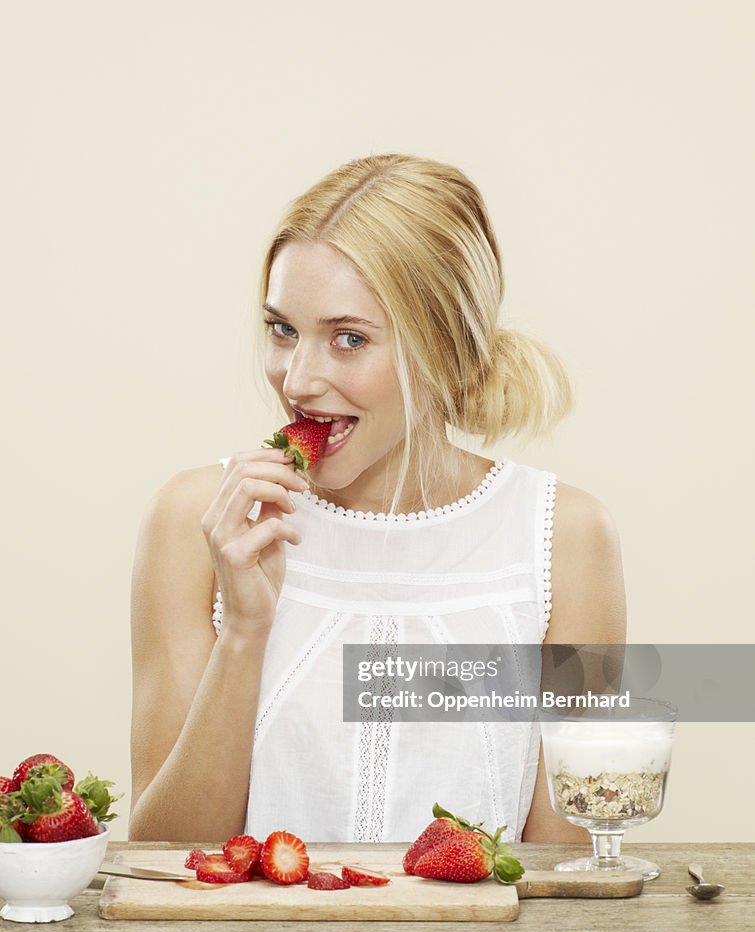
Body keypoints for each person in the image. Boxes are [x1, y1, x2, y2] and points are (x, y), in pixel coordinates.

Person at [128, 154, 625, 844]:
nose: (297, 380)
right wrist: (244, 632)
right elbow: (163, 855)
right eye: (281, 329)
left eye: (349, 338)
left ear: (445, 349)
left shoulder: (565, 539)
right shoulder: (197, 522)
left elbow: (566, 868)